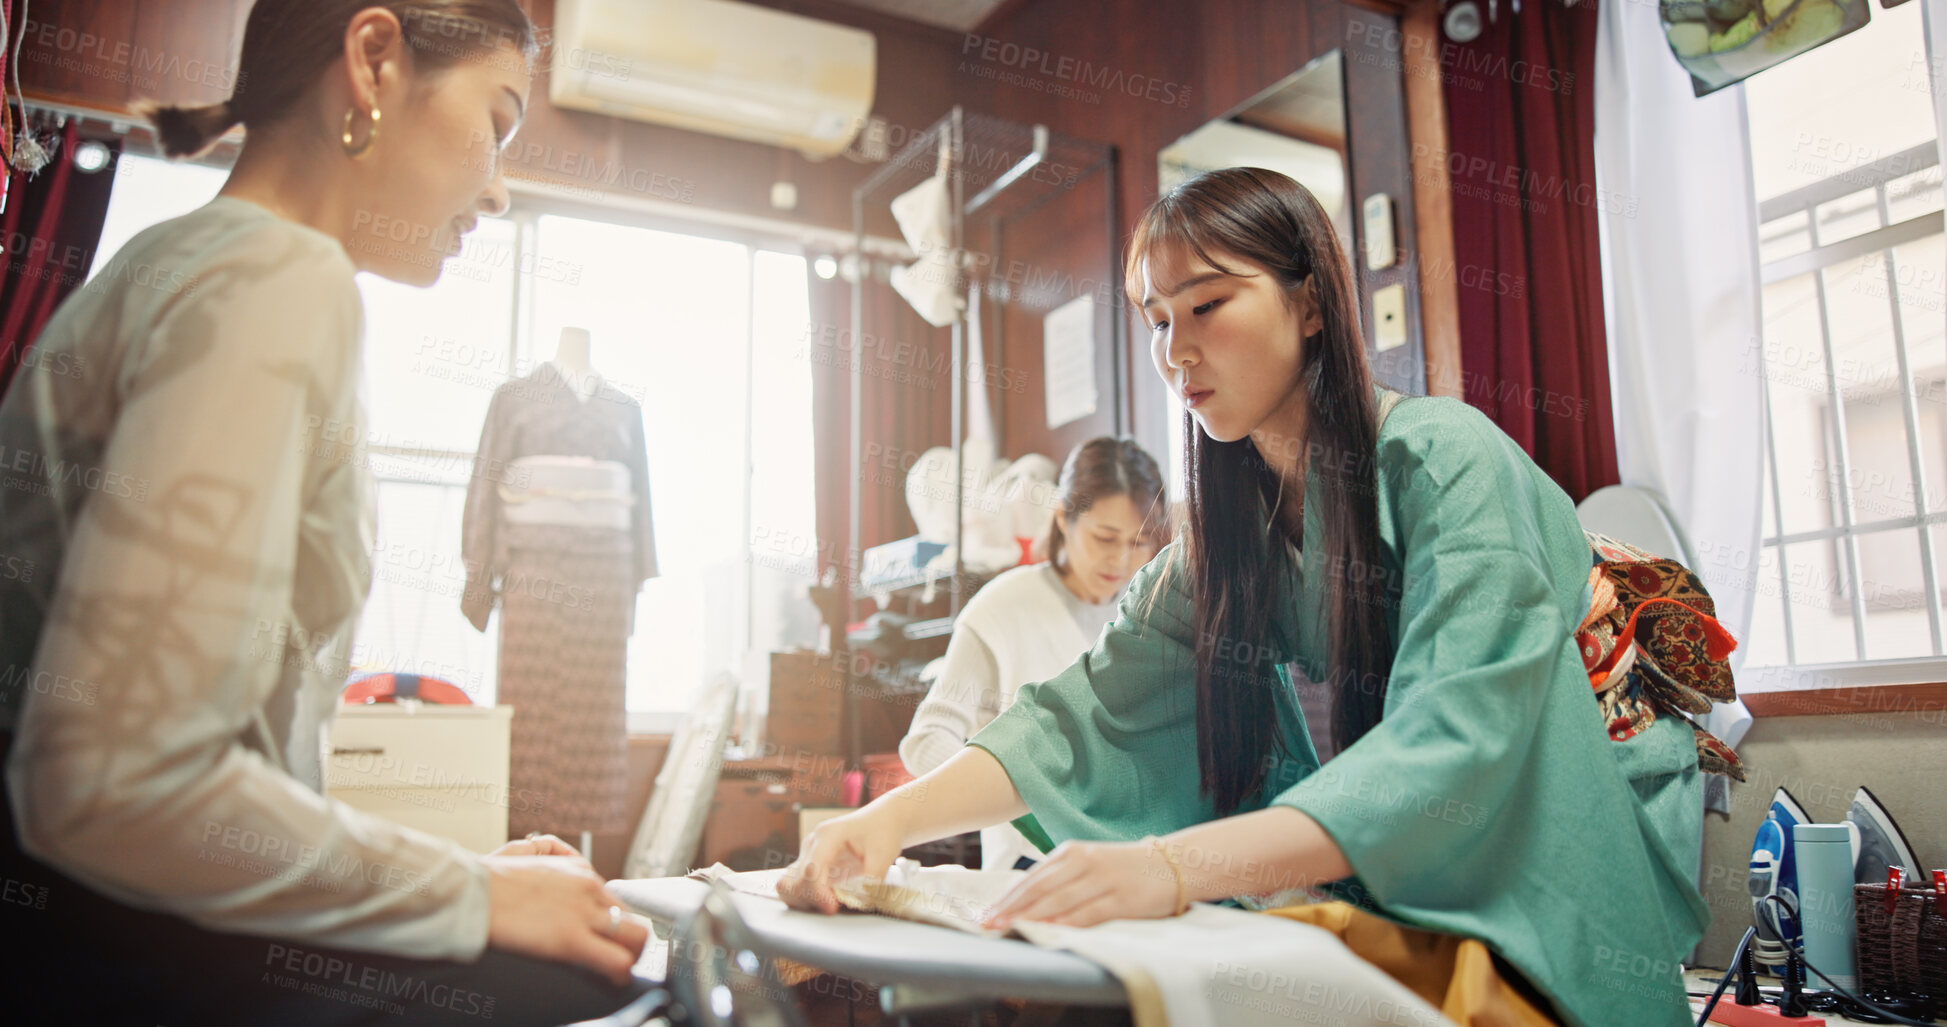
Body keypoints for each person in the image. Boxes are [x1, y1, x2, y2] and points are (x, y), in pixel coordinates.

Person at [780, 167, 1728, 1027]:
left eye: (1207, 304)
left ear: (1309, 303)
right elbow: (1083, 718)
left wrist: (1164, 867)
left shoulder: (1445, 459)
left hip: (1546, 829)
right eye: (1157, 319)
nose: (1175, 350)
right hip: (1405, 852)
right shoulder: (1221, 538)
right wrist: (886, 823)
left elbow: (1456, 738)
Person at [0, 3, 653, 1023]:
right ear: (375, 57)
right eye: (498, 122)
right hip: (114, 948)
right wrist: (470, 892)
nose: (497, 185)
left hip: (78, 927)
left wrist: (441, 868)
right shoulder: (279, 276)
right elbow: (118, 781)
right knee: (624, 978)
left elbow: (199, 761)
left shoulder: (174, 259)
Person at [898, 436, 1166, 870]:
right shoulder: (1003, 606)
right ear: (1063, 518)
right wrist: (1021, 798)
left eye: (1138, 543)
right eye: (1104, 537)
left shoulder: (1150, 616)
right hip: (1030, 864)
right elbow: (927, 740)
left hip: (1130, 862)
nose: (1120, 560)